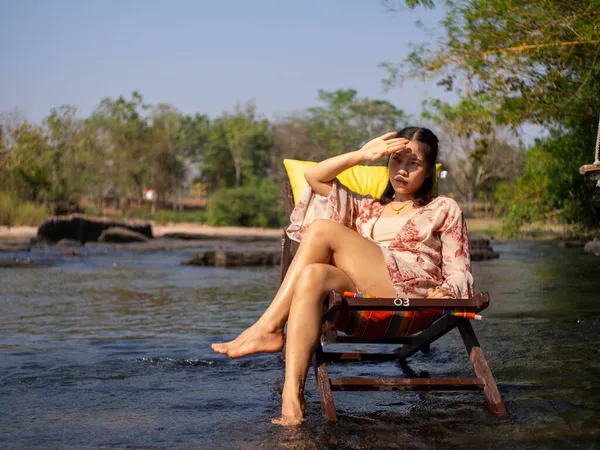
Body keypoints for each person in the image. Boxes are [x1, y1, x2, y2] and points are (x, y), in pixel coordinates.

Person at [212, 127, 474, 425]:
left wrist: (449, 292)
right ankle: (292, 403)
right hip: (364, 298)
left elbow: (459, 267)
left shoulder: (443, 208)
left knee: (322, 229)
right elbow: (314, 177)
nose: (401, 171)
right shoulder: (368, 208)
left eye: (412, 164)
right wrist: (361, 155)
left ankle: (269, 327)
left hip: (411, 295)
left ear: (428, 172)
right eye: (396, 161)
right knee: (312, 275)